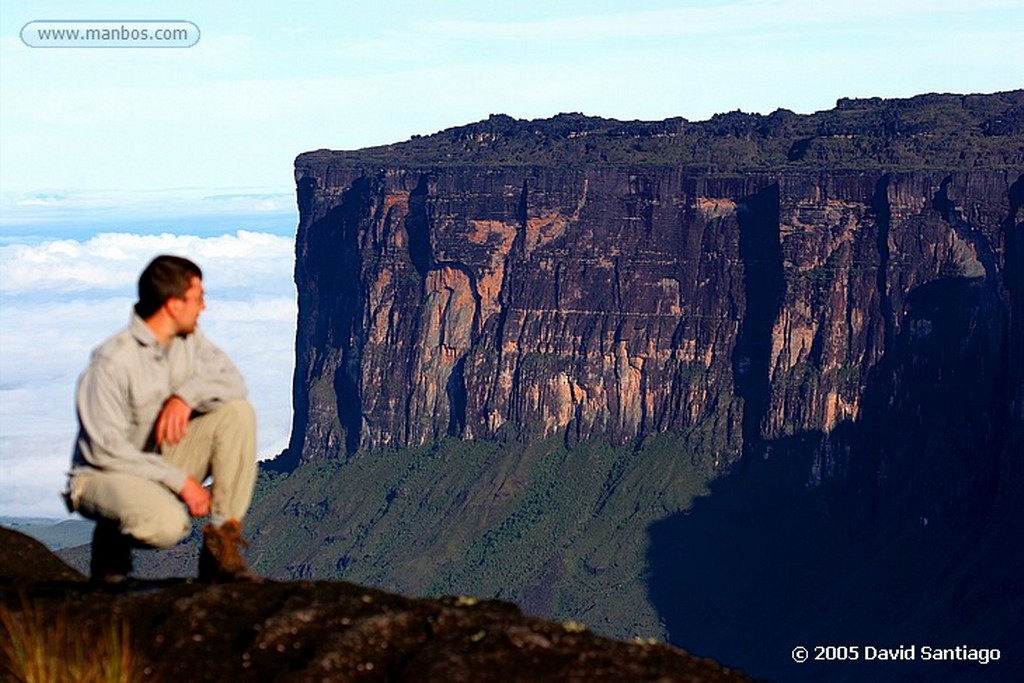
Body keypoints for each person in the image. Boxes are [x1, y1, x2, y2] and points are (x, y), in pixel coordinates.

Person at [64, 254, 259, 583]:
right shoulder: (112, 362)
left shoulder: (189, 341)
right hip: (104, 474)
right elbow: (105, 451)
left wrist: (185, 398)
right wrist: (180, 482)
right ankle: (112, 539)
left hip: (159, 458)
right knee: (168, 526)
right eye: (198, 299)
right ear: (173, 304)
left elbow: (234, 382)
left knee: (236, 412)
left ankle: (220, 549)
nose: (204, 307)